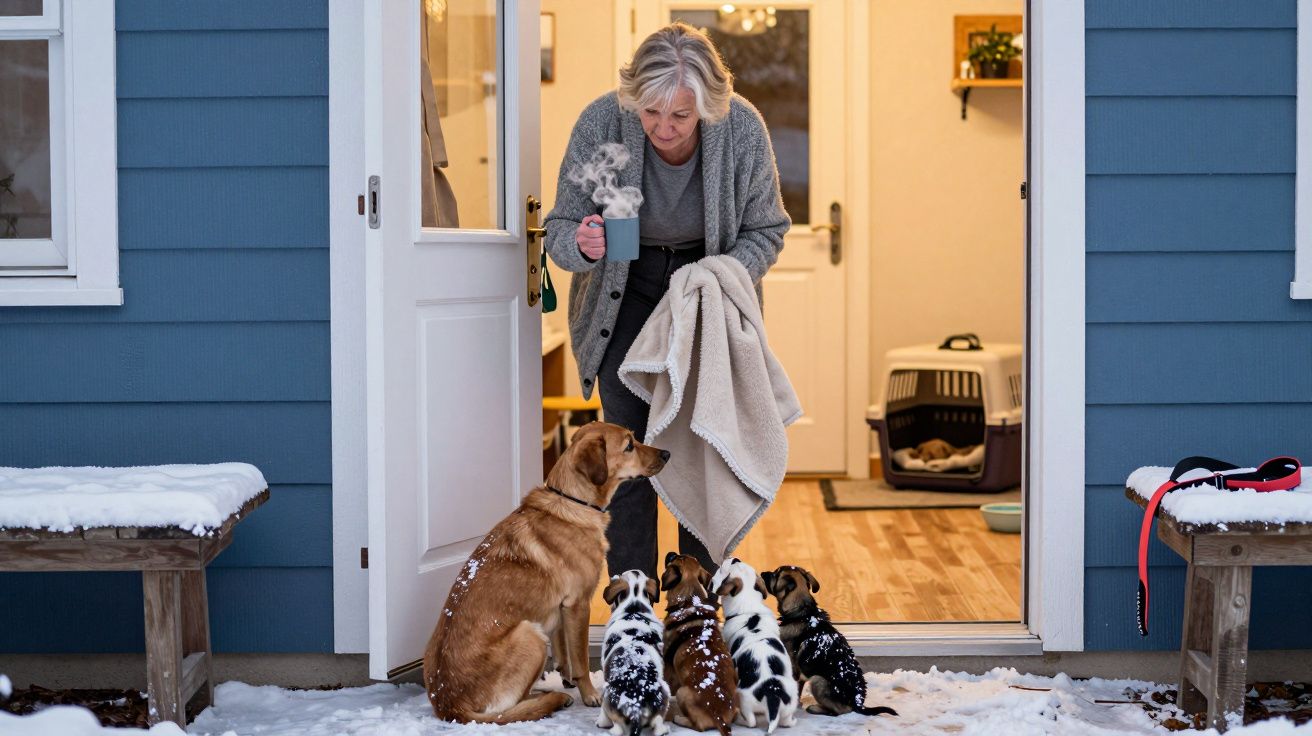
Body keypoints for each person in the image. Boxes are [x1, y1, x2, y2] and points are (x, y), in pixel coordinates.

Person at [544, 22, 790, 579]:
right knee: (627, 451)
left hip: (705, 290)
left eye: (681, 116)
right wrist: (582, 245)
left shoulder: (742, 128)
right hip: (621, 290)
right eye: (651, 113)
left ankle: (695, 604)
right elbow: (560, 228)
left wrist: (721, 276)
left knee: (700, 446)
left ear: (708, 106)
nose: (663, 128)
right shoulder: (603, 122)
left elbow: (767, 230)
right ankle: (633, 605)